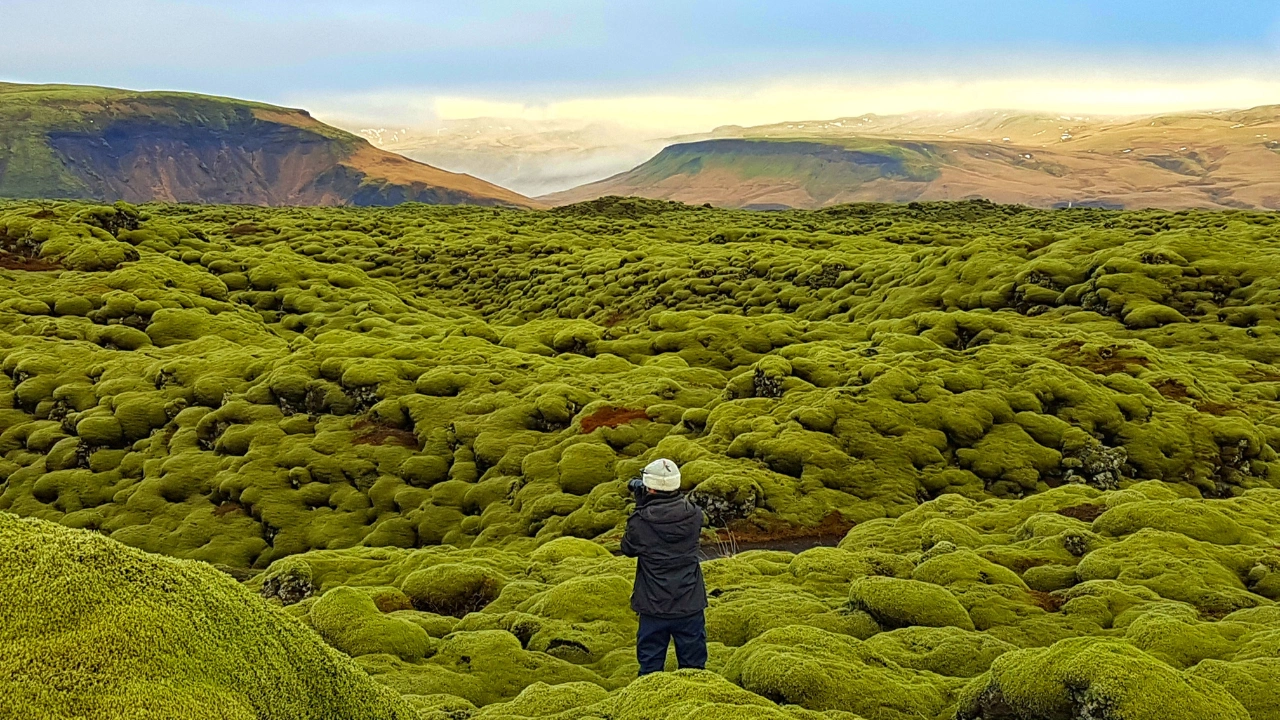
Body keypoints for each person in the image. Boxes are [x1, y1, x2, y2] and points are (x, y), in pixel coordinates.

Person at [620, 458, 707, 675]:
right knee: (695, 669)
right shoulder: (695, 514)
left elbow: (628, 548)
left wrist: (641, 506)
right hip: (689, 600)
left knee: (650, 669)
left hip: (653, 605)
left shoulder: (640, 521)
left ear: (650, 487)